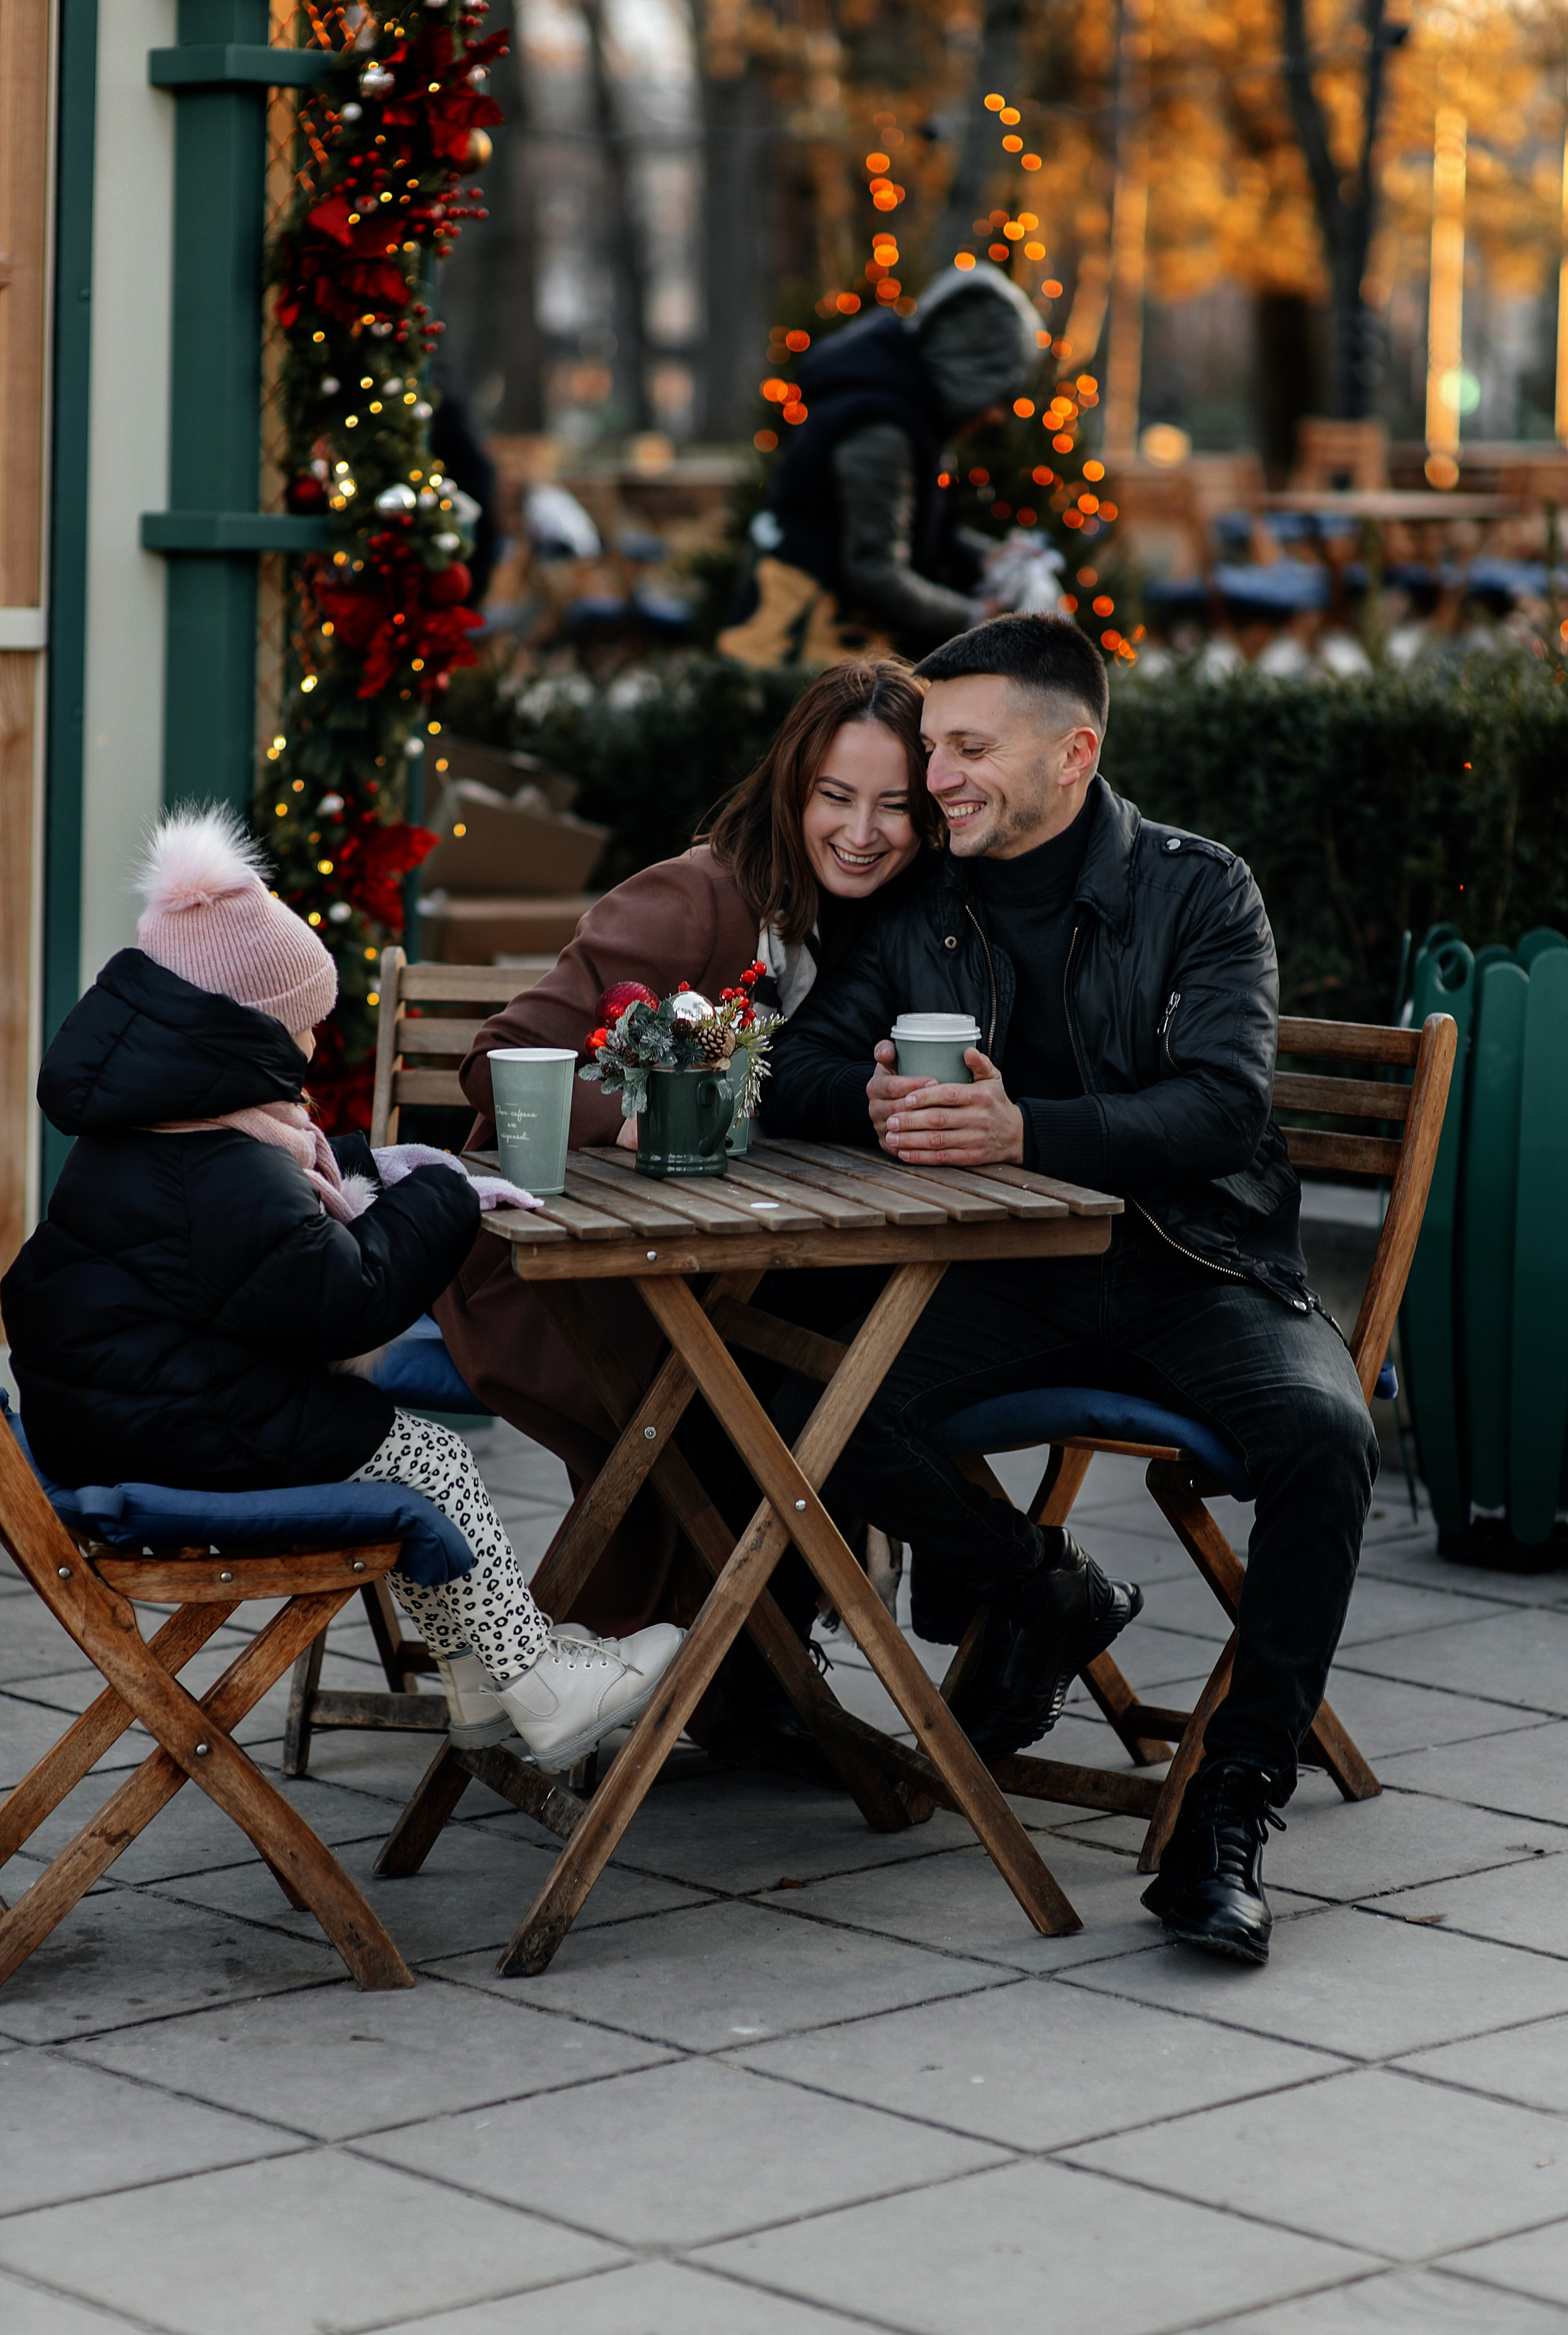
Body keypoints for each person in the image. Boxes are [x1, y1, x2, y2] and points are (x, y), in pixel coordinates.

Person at [762, 613, 1378, 1967]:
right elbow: (795, 1066)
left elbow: (1219, 1107)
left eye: (969, 750)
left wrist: (1020, 1131)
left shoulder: (1197, 891)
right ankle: (1044, 1593)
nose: (940, 780)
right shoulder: (923, 903)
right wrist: (877, 1105)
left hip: (1192, 1268)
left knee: (1326, 1439)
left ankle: (1229, 1803)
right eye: (935, 750)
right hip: (999, 1279)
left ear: (1071, 752)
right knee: (799, 1394)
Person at [1, 808, 683, 1775]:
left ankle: (486, 1681)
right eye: (300, 1024)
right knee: (425, 1459)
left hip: (124, 1402)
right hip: (162, 1429)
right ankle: (535, 1681)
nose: (315, 1047)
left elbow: (252, 1245)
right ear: (242, 1028)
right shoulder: (218, 1163)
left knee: (397, 1450)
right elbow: (345, 1298)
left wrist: (376, 1168)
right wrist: (444, 1190)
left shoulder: (169, 1120)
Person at [437, 658, 940, 1747]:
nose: (864, 830)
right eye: (837, 798)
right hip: (553, 1270)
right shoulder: (697, 894)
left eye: (898, 805)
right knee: (743, 1399)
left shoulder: (880, 927)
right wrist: (632, 1115)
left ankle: (717, 1673)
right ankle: (587, 1663)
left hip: (722, 1262)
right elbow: (494, 1058)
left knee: (838, 1378)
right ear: (791, 790)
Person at [717, 268, 1042, 670]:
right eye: (999, 395)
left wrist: (990, 558)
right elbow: (874, 571)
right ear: (968, 371)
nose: (996, 416)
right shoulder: (880, 430)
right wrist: (975, 620)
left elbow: (916, 528)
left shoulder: (901, 410)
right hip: (798, 648)